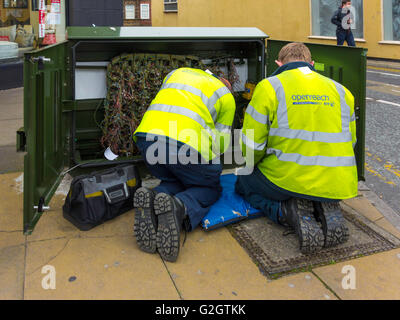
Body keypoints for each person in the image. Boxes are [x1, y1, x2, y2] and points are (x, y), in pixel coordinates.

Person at [236, 42, 357, 253]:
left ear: (278, 63)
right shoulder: (342, 91)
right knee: (315, 187)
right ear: (311, 64)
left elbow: (252, 144)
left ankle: (285, 210)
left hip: (287, 180)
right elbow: (351, 142)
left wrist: (249, 166)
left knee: (243, 182)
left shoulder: (269, 86)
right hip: (338, 181)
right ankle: (321, 204)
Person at [133, 67, 236, 262]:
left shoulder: (176, 73)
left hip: (146, 140)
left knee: (177, 176)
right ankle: (180, 206)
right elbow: (220, 144)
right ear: (226, 84)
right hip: (185, 146)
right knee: (209, 186)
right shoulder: (226, 96)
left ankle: (153, 195)